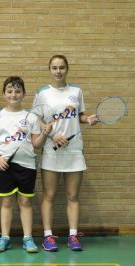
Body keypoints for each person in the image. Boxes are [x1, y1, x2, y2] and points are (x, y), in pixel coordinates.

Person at [34, 55, 96, 251]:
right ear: (49, 70)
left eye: (61, 67)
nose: (58, 71)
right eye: (54, 68)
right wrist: (52, 135)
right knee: (49, 195)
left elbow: (79, 116)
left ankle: (73, 236)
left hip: (74, 150)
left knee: (72, 195)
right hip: (52, 150)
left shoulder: (76, 91)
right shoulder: (43, 93)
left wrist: (88, 120)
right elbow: (36, 120)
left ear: (67, 69)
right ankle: (47, 236)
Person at [0, 76, 52, 253]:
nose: (14, 94)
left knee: (25, 202)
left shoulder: (31, 117)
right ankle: (5, 237)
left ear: (24, 94)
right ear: (4, 94)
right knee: (6, 202)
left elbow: (36, 143)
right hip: (4, 165)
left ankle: (27, 238)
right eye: (10, 91)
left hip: (27, 165)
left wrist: (44, 134)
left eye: (17, 91)